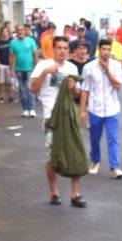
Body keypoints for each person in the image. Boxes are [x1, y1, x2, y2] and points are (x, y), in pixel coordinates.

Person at [30, 36, 86, 207]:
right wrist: (46, 72)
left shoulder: (71, 67)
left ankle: (75, 194)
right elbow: (33, 88)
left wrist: (74, 88)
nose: (62, 51)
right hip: (50, 116)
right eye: (59, 47)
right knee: (52, 156)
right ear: (53, 50)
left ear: (69, 51)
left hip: (69, 116)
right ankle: (54, 192)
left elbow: (77, 95)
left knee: (75, 151)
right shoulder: (42, 65)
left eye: (65, 48)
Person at [80, 39, 122, 179]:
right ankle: (95, 161)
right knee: (95, 138)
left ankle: (115, 166)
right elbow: (85, 90)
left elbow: (118, 85)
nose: (106, 51)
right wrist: (82, 110)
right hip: (95, 108)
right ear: (99, 50)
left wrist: (107, 70)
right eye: (104, 49)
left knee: (113, 138)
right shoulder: (89, 67)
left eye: (108, 49)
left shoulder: (116, 66)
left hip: (112, 108)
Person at [10, 24, 38, 117]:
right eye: (18, 30)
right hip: (19, 70)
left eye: (22, 30)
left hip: (30, 69)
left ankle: (32, 109)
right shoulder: (13, 43)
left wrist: (36, 68)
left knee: (30, 89)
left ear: (25, 31)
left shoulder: (31, 41)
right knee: (22, 90)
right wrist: (11, 70)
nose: (20, 31)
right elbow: (12, 57)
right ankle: (25, 109)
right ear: (16, 31)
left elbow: (35, 55)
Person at [0, 26, 14, 103]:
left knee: (10, 82)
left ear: (8, 32)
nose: (5, 33)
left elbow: (14, 53)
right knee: (1, 82)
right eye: (3, 31)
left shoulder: (11, 42)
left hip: (10, 65)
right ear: (1, 32)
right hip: (2, 64)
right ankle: (1, 97)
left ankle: (10, 96)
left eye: (6, 31)